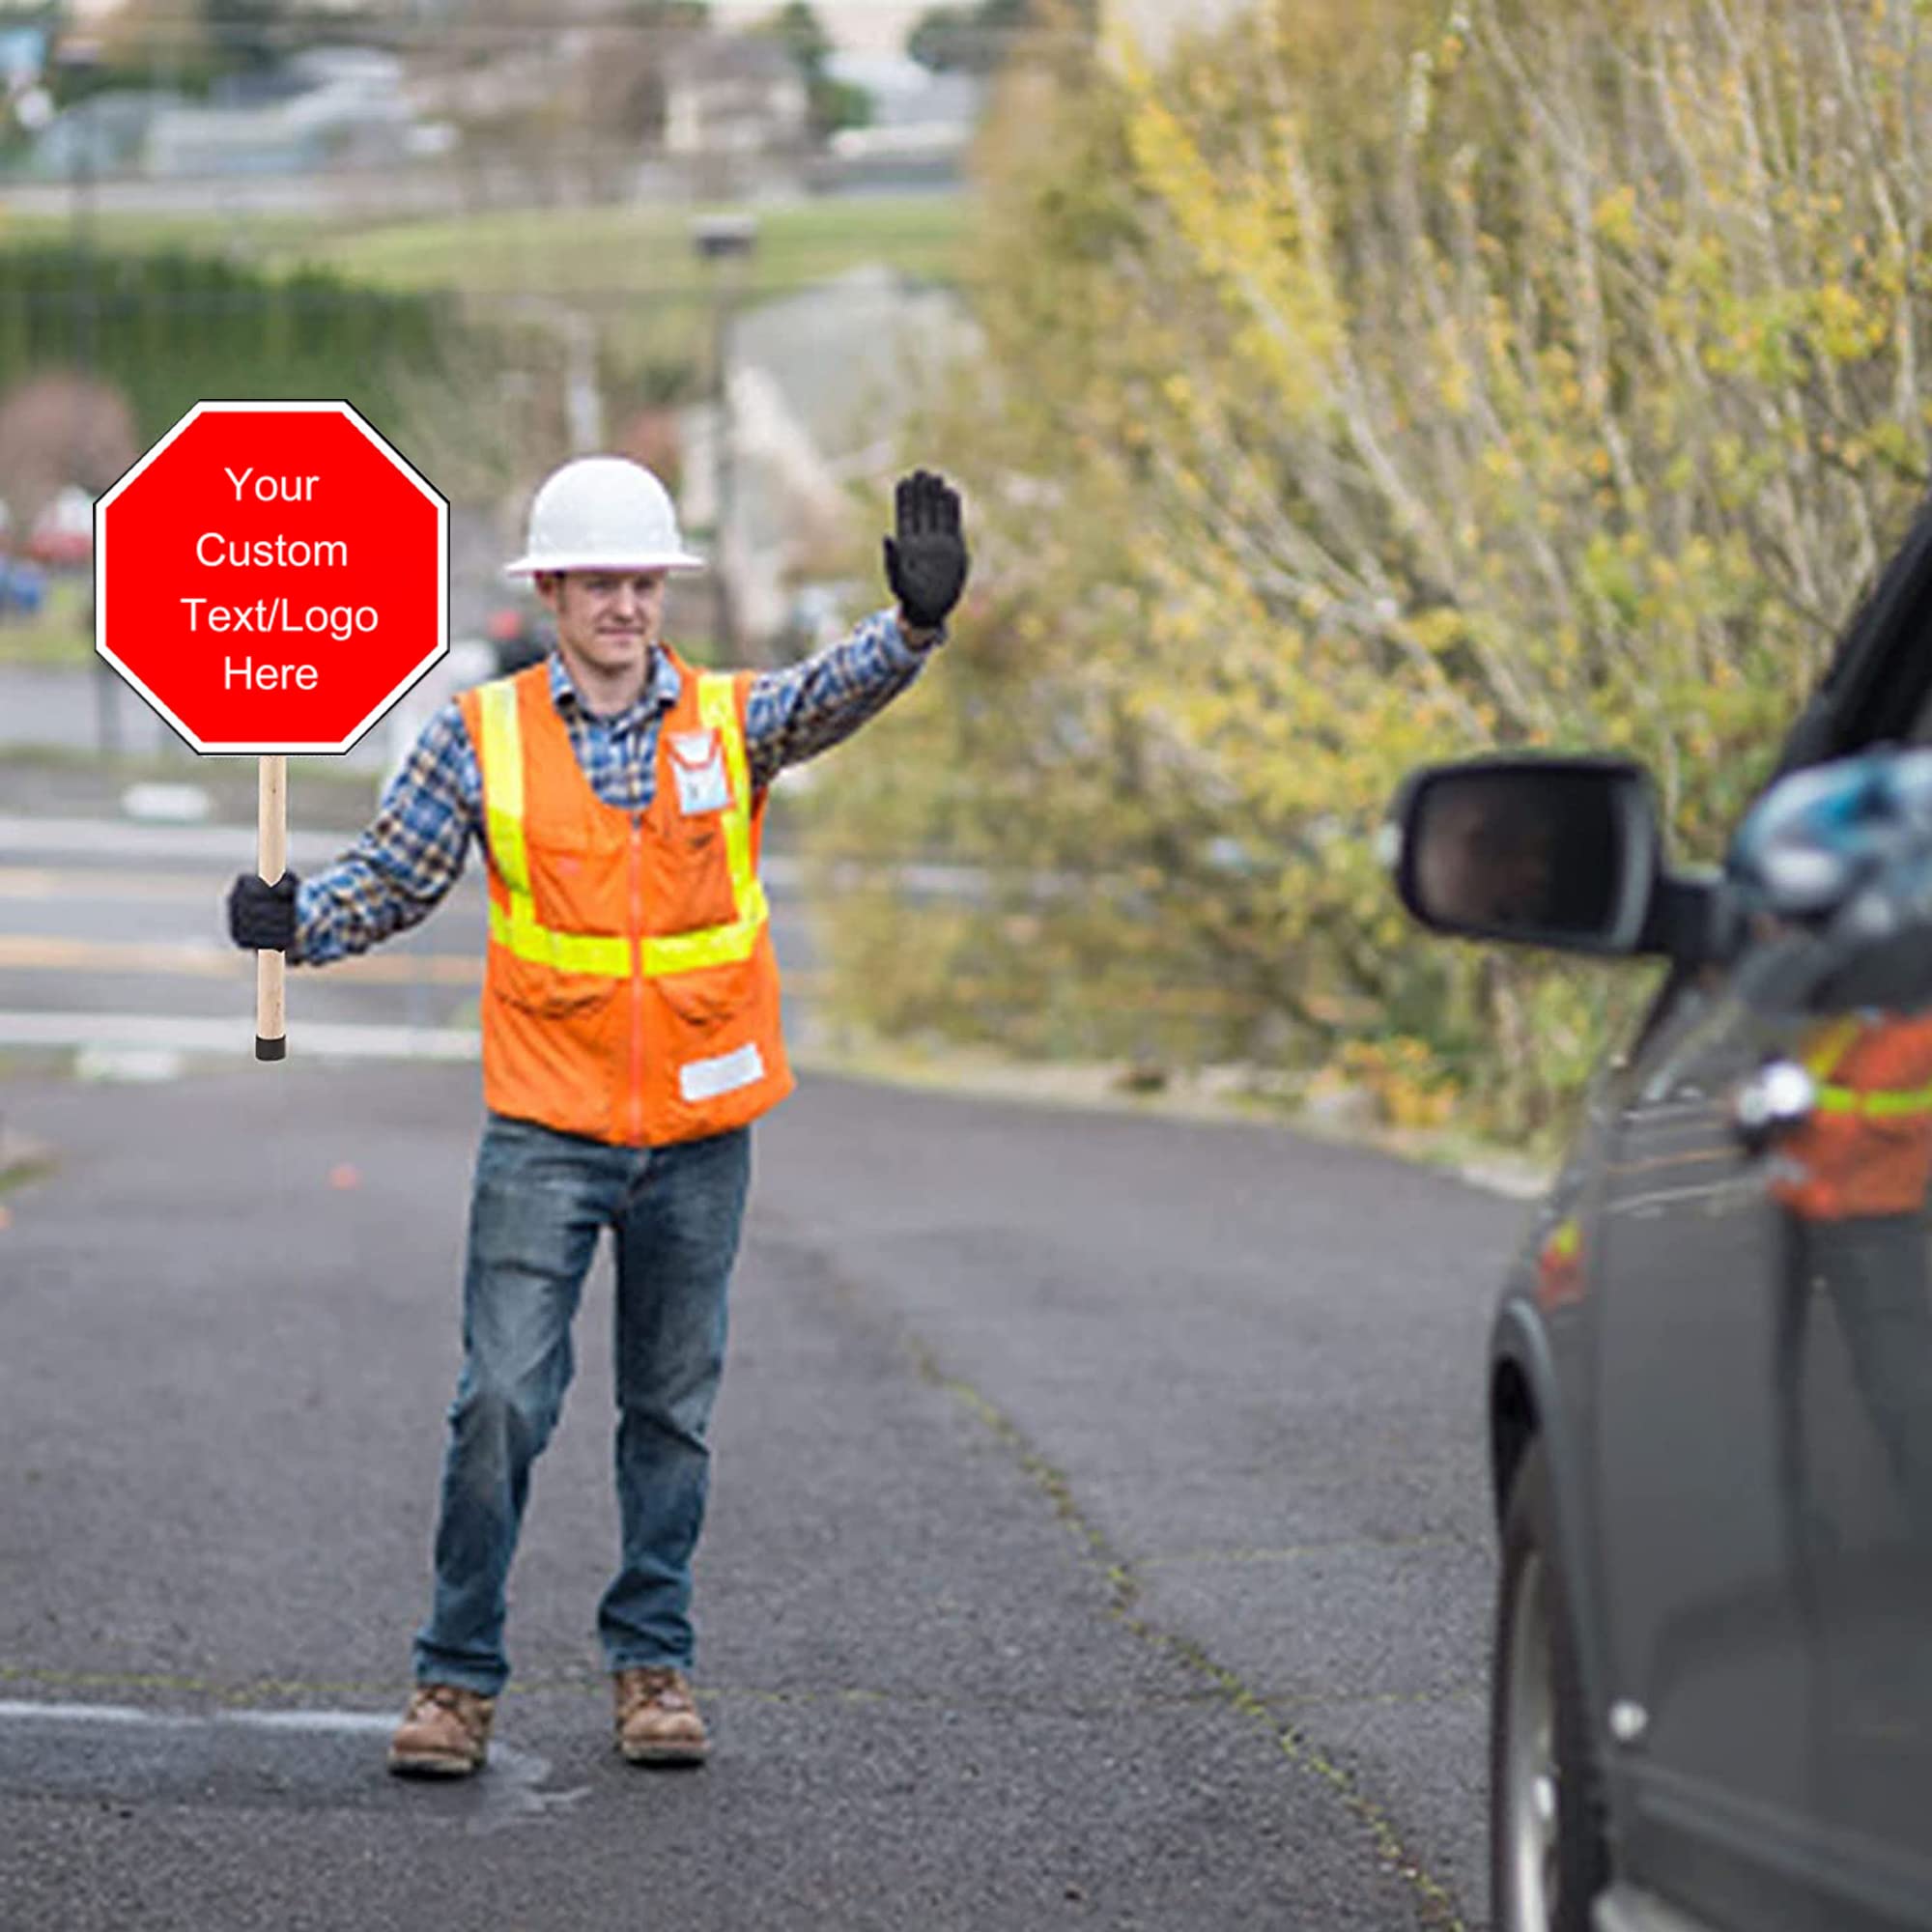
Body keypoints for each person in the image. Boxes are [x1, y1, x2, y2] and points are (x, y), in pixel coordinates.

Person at [225, 456, 969, 1776]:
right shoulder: (483, 732)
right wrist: (299, 924)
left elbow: (827, 696)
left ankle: (652, 1668)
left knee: (671, 1412)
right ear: (552, 589)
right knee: (501, 1402)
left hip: (697, 1134)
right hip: (547, 1129)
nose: (625, 605)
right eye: (601, 582)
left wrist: (911, 628)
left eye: (642, 581)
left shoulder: (730, 723)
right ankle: (455, 1682)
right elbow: (396, 879)